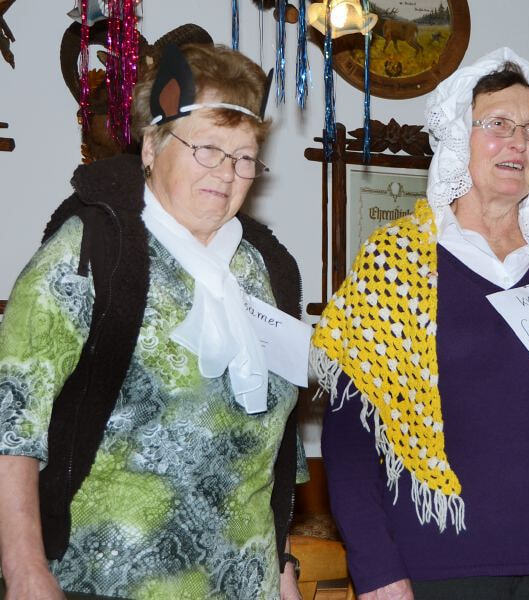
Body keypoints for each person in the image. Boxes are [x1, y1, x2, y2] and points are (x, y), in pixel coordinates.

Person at [310, 47, 529, 600]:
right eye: (497, 124)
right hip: (435, 567)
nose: (518, 142)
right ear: (455, 137)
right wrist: (376, 572)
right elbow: (350, 438)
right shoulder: (397, 263)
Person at [0, 43, 307, 600]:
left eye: (244, 157)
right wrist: (24, 570)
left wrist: (282, 568)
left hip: (246, 584)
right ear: (151, 146)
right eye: (207, 149)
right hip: (109, 580)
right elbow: (10, 415)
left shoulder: (268, 271)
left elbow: (274, 445)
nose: (227, 173)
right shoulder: (94, 250)